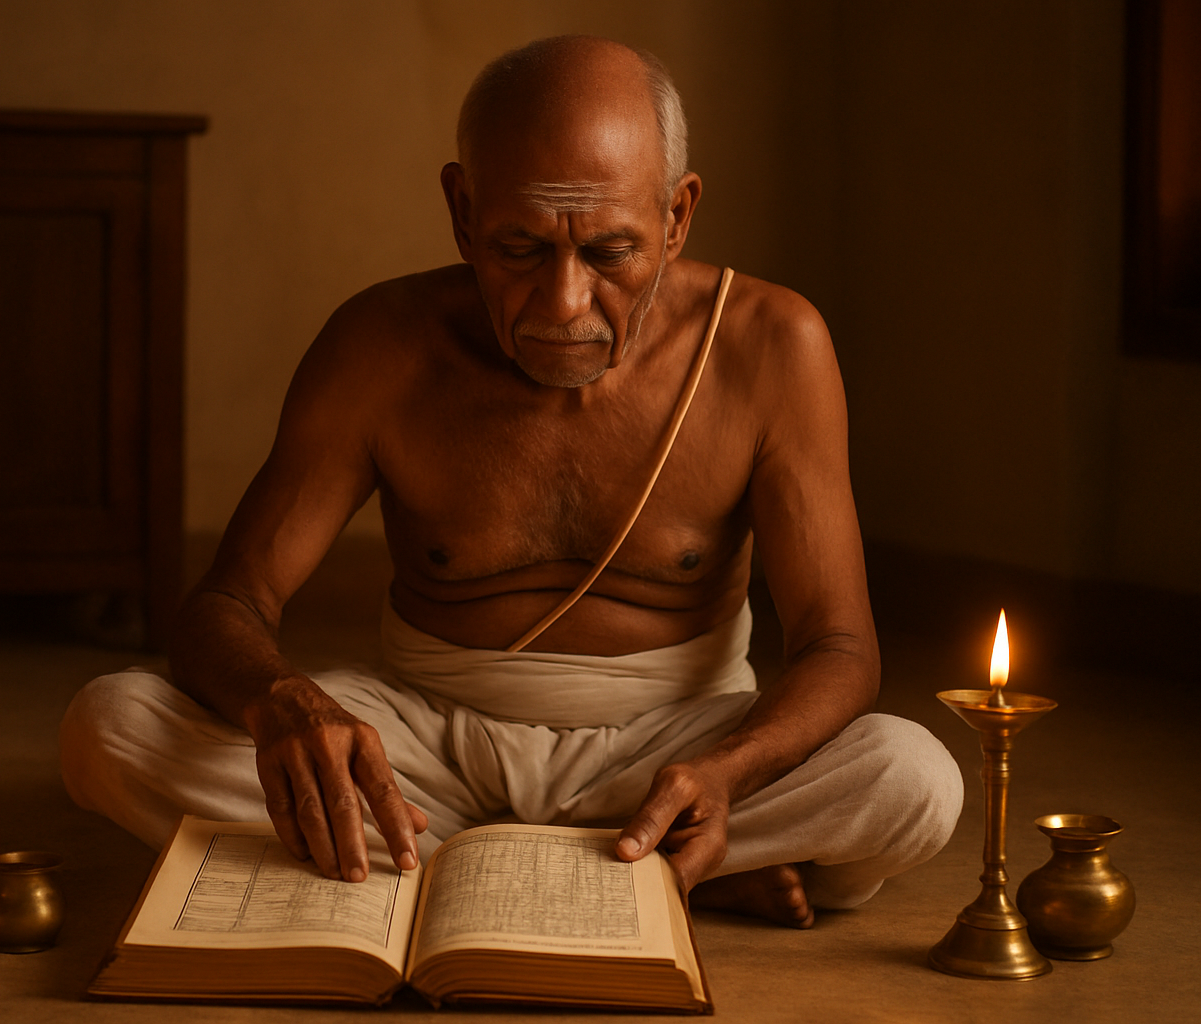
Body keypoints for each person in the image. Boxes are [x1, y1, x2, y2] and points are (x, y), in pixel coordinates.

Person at [61, 35, 962, 928]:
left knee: (912, 779)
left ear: (678, 215)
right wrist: (286, 706)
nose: (564, 302)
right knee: (109, 726)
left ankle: (446, 858)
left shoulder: (772, 343)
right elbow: (231, 600)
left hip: (676, 742)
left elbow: (840, 648)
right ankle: (658, 869)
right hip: (425, 741)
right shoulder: (381, 345)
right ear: (462, 210)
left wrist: (730, 773)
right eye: (520, 248)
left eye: (611, 252)